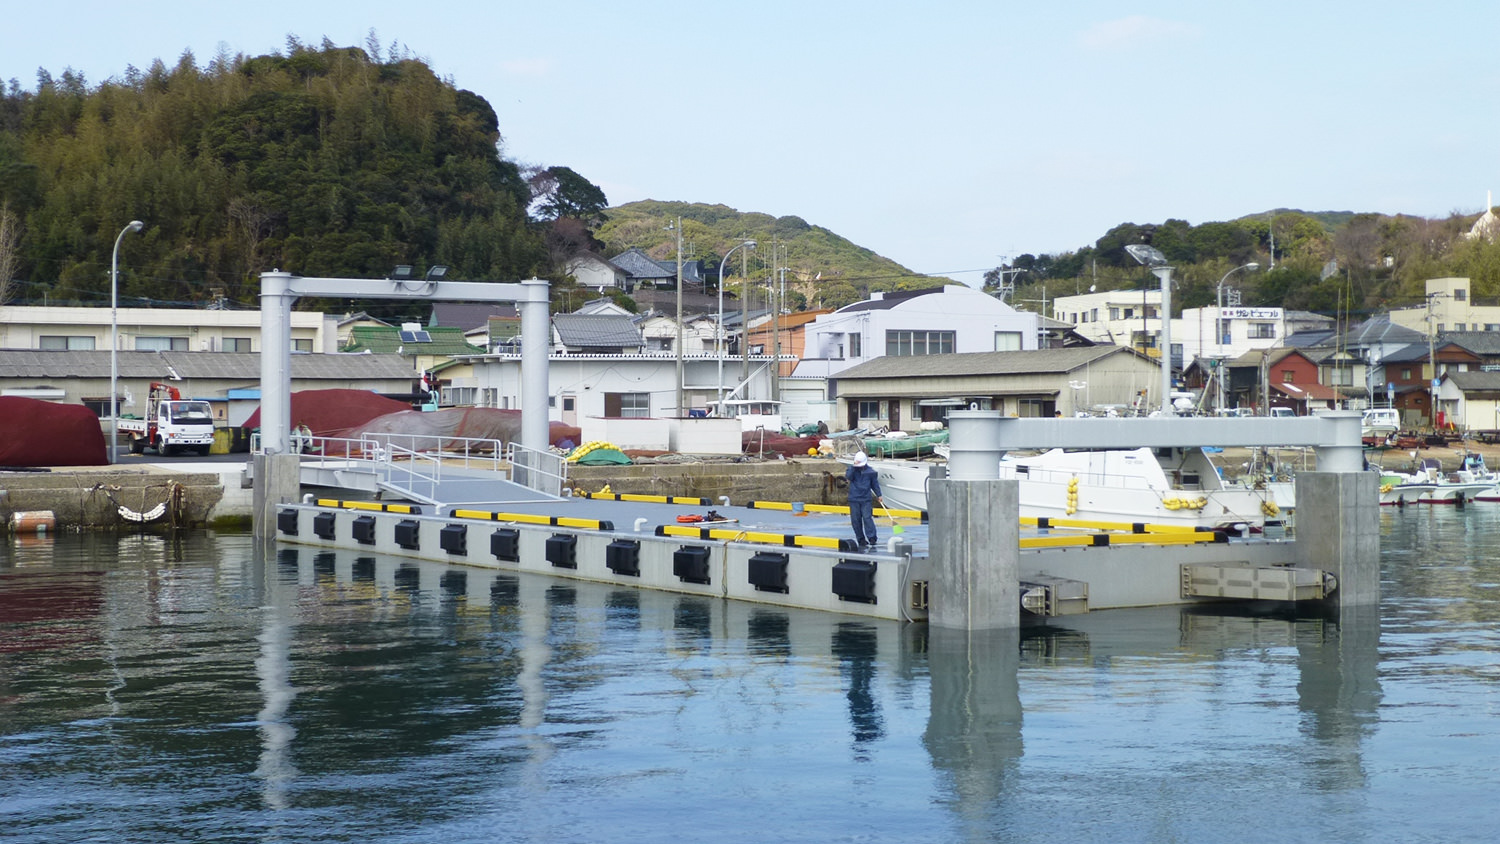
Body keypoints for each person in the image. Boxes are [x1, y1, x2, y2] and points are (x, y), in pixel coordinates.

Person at [845, 451, 882, 550]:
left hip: (866, 499)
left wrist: (879, 495)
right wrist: (854, 466)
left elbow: (875, 484)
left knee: (867, 518)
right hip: (854, 498)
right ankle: (861, 539)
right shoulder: (851, 470)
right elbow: (848, 477)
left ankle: (872, 538)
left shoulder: (871, 472)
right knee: (856, 520)